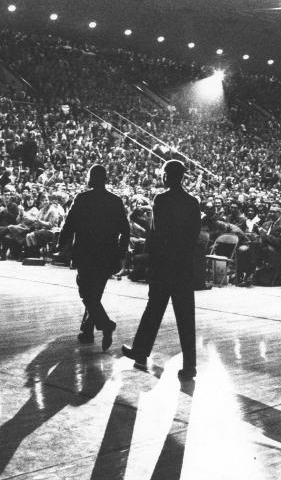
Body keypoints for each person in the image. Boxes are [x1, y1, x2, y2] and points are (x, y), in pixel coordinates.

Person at [122, 159, 202, 381]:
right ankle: (190, 366)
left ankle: (141, 350)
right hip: (183, 266)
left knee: (153, 311)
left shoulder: (161, 199)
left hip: (164, 266)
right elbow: (194, 234)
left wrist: (152, 260)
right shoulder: (192, 202)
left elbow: (156, 234)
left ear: (166, 176)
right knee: (186, 318)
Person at [57, 164, 130, 351]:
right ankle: (87, 332)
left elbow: (69, 224)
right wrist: (121, 254)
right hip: (108, 254)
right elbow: (125, 229)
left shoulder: (82, 198)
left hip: (85, 252)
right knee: (95, 294)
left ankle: (106, 324)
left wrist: (61, 244)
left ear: (90, 178)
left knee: (86, 293)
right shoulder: (115, 201)